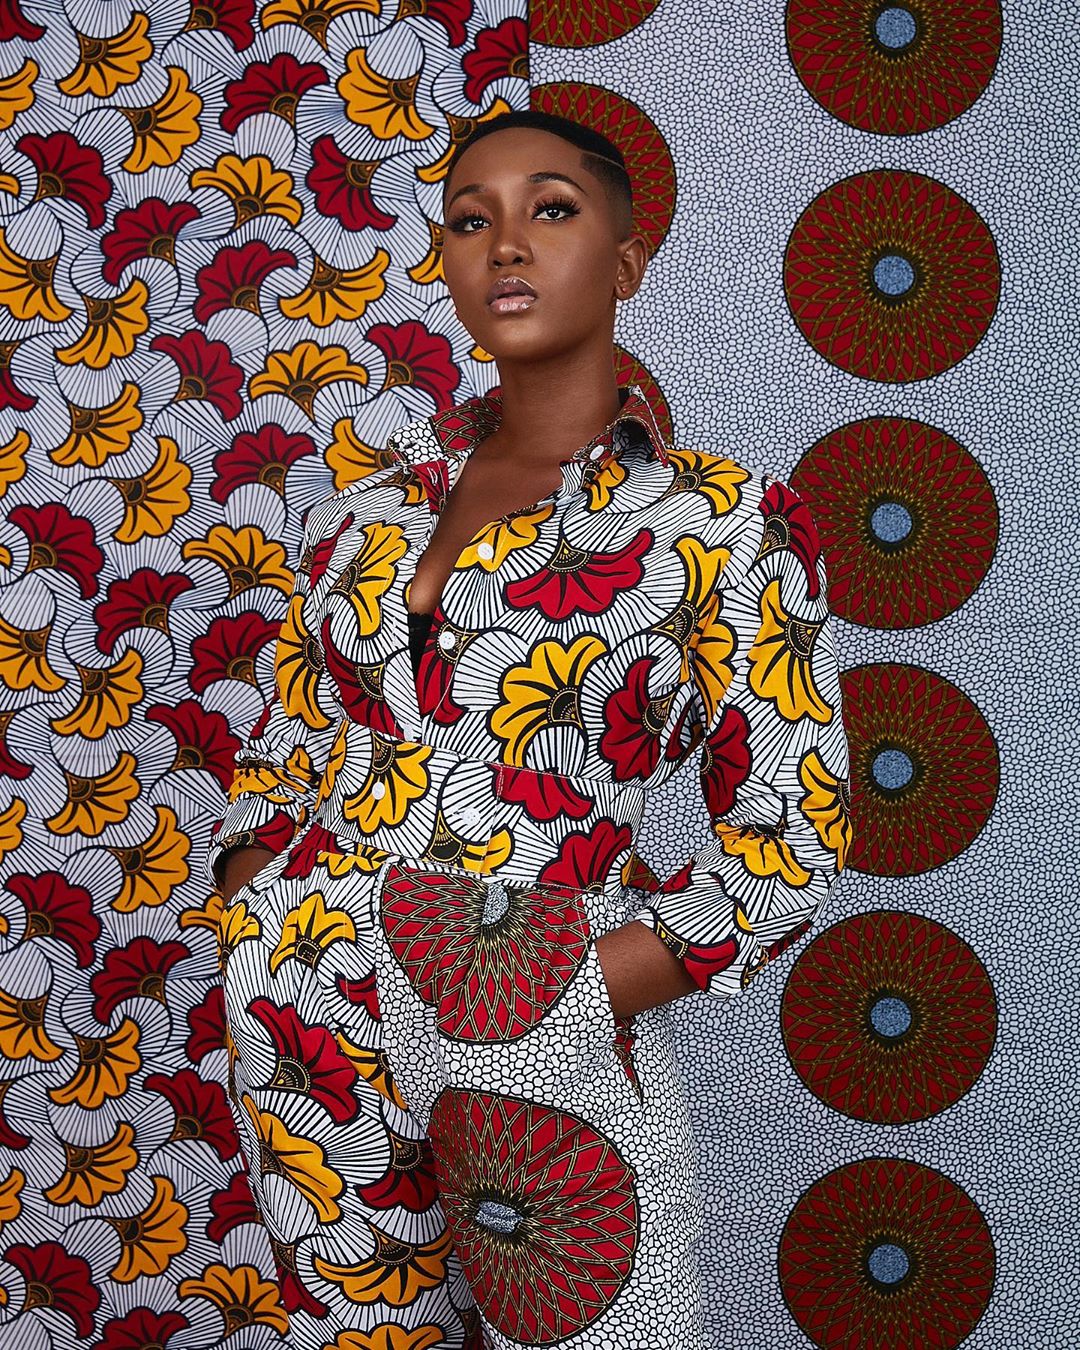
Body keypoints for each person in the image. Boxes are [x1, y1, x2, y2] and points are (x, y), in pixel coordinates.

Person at [211, 108, 851, 1350]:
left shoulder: (723, 523)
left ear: (627, 261)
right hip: (303, 995)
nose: (506, 244)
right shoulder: (368, 512)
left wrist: (573, 988)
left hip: (529, 992)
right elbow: (291, 737)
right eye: (471, 220)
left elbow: (796, 833)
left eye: (551, 209)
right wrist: (257, 896)